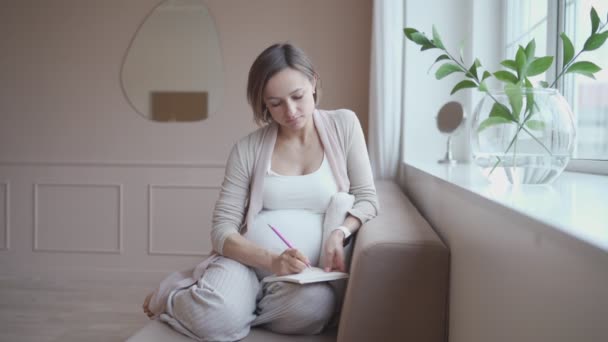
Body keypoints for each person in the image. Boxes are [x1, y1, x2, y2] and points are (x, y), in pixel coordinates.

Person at [142, 43, 379, 341]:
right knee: (217, 319)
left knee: (314, 309)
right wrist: (271, 260)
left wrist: (340, 233)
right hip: (245, 262)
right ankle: (174, 296)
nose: (290, 111)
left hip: (299, 275)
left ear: (314, 82)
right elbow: (221, 230)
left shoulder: (344, 124)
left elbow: (367, 198)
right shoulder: (247, 149)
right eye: (276, 103)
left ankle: (234, 310)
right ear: (263, 104)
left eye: (298, 96)